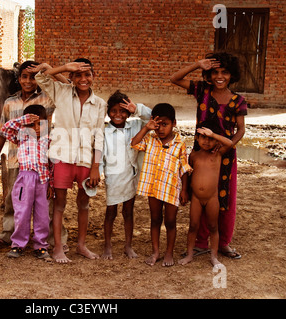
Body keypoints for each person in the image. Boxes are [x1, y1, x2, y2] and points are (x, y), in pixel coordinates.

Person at [170, 51, 247, 259]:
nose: (219, 76)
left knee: (225, 197)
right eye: (214, 72)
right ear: (209, 75)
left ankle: (223, 242)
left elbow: (240, 129)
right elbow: (174, 79)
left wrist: (226, 147)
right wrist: (197, 65)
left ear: (232, 75)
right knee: (200, 194)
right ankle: (201, 241)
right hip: (200, 154)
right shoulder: (202, 91)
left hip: (225, 156)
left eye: (224, 72)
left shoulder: (238, 101)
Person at [0, 60, 68, 248]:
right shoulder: (9, 102)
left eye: (33, 77)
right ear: (19, 78)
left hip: (42, 161)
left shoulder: (47, 98)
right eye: (24, 76)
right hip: (17, 161)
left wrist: (47, 69)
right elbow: (1, 132)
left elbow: (66, 88)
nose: (29, 81)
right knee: (13, 202)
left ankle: (53, 239)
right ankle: (8, 235)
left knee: (46, 203)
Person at [33, 58, 107, 263]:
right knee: (59, 204)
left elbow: (99, 136)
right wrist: (65, 68)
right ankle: (58, 248)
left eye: (88, 74)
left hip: (85, 160)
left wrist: (95, 167)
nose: (84, 79)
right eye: (79, 75)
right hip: (62, 156)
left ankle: (81, 245)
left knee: (84, 204)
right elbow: (40, 77)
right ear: (72, 78)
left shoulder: (100, 104)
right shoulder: (62, 92)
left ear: (94, 76)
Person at [131, 103, 192, 267]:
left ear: (174, 123)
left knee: (171, 221)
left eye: (165, 124)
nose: (161, 129)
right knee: (155, 219)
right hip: (153, 187)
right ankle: (156, 251)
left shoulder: (179, 145)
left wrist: (185, 190)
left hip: (172, 189)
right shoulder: (150, 140)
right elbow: (134, 143)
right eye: (157, 125)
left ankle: (168, 252)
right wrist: (147, 128)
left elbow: (184, 168)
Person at [100, 90, 151, 260]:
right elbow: (100, 155)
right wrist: (99, 173)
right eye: (113, 111)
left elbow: (152, 118)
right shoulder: (105, 132)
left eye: (123, 111)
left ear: (128, 112)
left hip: (131, 175)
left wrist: (136, 109)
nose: (118, 115)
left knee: (128, 211)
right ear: (108, 113)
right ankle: (108, 246)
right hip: (113, 177)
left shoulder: (135, 125)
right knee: (111, 212)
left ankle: (128, 246)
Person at [0, 104, 53, 259]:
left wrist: (52, 184)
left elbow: (52, 163)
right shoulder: (22, 136)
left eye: (39, 124)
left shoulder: (48, 140)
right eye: (31, 124)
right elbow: (5, 129)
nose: (35, 128)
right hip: (24, 179)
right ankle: (18, 244)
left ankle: (41, 245)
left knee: (42, 214)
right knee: (22, 213)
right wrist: (23, 120)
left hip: (43, 182)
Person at [178, 121, 233, 267]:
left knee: (213, 226)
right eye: (203, 137)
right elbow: (188, 175)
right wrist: (185, 192)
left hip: (212, 198)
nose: (207, 141)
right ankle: (190, 254)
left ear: (216, 140)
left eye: (210, 138)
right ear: (196, 138)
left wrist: (214, 134)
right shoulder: (194, 156)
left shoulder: (218, 154)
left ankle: (214, 256)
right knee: (193, 225)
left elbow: (230, 144)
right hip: (196, 198)